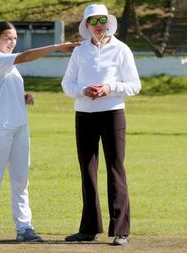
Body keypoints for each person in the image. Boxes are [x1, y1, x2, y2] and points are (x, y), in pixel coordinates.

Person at [0, 21, 80, 243]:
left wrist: (22, 96)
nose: (12, 42)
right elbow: (26, 56)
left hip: (19, 126)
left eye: (14, 39)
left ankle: (24, 228)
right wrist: (57, 47)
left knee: (21, 180)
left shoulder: (7, 64)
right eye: (7, 38)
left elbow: (3, 89)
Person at [61, 4, 141, 246]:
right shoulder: (80, 51)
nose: (98, 26)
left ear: (109, 22)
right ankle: (88, 229)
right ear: (86, 25)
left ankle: (120, 230)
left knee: (116, 169)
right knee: (87, 171)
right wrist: (83, 91)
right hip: (84, 115)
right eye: (92, 22)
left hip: (113, 114)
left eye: (101, 21)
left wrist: (110, 87)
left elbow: (134, 85)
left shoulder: (121, 49)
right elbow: (67, 85)